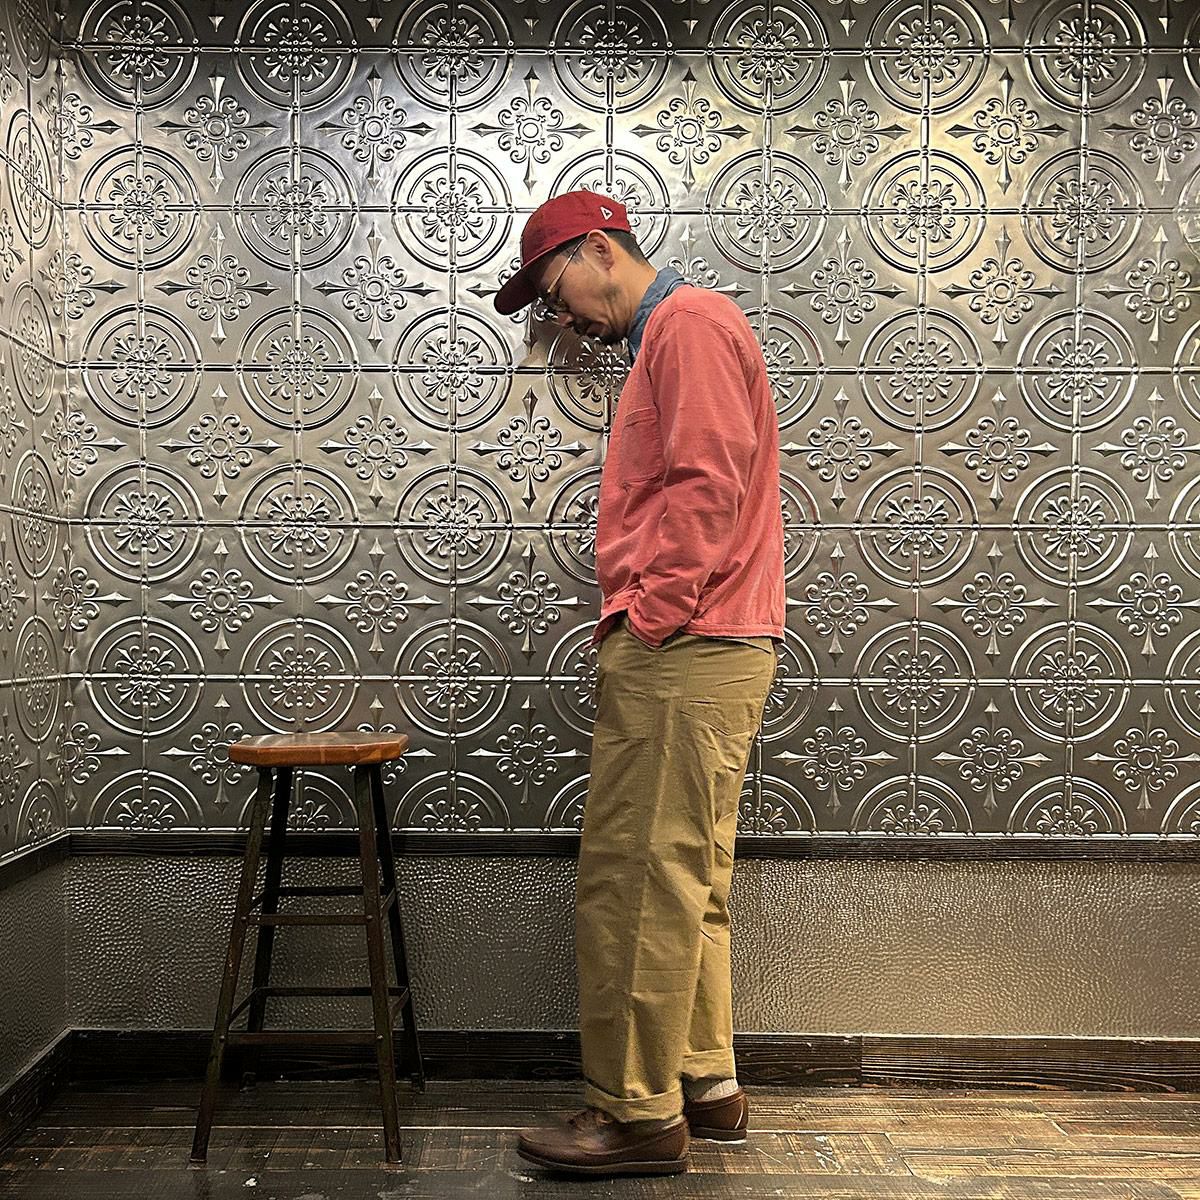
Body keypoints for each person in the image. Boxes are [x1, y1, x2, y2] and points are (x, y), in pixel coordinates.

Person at [492, 190, 786, 1176]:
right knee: (684, 877)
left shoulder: (687, 322)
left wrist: (653, 614)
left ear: (600, 250)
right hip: (712, 641)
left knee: (634, 880)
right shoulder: (681, 327)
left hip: (687, 642)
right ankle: (703, 1085)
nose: (559, 314)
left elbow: (708, 482)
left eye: (554, 288)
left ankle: (634, 1115)